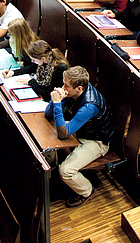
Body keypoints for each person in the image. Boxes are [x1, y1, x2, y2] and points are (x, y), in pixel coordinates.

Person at [45, 66, 114, 207]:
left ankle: (86, 191)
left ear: (79, 89)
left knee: (66, 171)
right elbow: (48, 114)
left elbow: (63, 134)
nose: (63, 88)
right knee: (48, 136)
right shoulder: (73, 93)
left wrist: (57, 103)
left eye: (66, 86)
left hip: (96, 140)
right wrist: (56, 100)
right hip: (82, 129)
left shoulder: (89, 106)